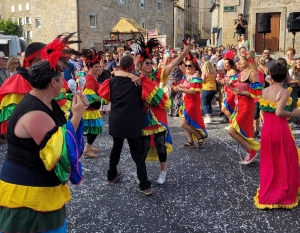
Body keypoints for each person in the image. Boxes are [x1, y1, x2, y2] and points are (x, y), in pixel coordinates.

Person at [0, 34, 88, 232]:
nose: (64, 81)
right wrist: (76, 116)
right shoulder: (35, 112)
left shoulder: (46, 102)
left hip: (39, 188)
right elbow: (58, 152)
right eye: (61, 77)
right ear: (53, 83)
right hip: (28, 195)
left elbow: (60, 132)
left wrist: (77, 114)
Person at [117, 35, 191, 185]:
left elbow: (173, 64)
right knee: (143, 146)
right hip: (143, 116)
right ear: (140, 65)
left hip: (158, 114)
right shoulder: (135, 78)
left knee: (160, 144)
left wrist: (184, 52)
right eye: (146, 63)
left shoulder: (157, 75)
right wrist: (129, 74)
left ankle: (163, 171)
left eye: (151, 62)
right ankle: (142, 172)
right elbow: (116, 73)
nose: (150, 64)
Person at [99, 56, 154, 195]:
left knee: (115, 149)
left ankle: (111, 175)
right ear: (131, 67)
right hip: (133, 122)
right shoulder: (138, 82)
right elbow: (148, 98)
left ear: (121, 67)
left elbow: (105, 98)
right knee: (138, 154)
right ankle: (144, 184)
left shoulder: (111, 82)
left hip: (117, 121)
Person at [254, 62, 300, 210]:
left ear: (272, 76)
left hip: (267, 129)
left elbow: (263, 110)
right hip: (280, 129)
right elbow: (279, 112)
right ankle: (283, 191)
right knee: (285, 158)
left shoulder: (265, 90)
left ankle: (269, 192)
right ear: (286, 76)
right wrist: (294, 113)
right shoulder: (285, 91)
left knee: (269, 159)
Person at [0, 42, 46, 136]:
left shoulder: (37, 78)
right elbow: (11, 119)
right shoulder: (18, 81)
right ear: (38, 57)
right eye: (46, 56)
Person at [228, 52, 262, 164]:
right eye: (239, 60)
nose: (239, 62)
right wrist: (228, 85)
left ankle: (250, 151)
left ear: (248, 61)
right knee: (237, 130)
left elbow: (257, 93)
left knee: (232, 131)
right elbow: (236, 90)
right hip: (239, 105)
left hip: (247, 106)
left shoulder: (253, 73)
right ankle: (250, 150)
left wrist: (242, 92)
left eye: (241, 60)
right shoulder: (240, 73)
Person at [172, 52, 208, 148]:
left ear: (195, 67)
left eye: (190, 66)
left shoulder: (196, 77)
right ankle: (190, 141)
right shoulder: (186, 76)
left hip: (192, 103)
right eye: (186, 65)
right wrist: (177, 86)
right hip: (185, 101)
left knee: (184, 124)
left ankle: (200, 136)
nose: (187, 67)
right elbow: (183, 85)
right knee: (186, 122)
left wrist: (179, 89)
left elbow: (192, 91)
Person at [81, 49, 104, 158]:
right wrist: (102, 98)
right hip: (90, 110)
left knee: (94, 129)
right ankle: (86, 149)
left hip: (92, 110)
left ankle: (89, 147)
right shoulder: (90, 80)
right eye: (95, 67)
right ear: (89, 68)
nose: (98, 68)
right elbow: (88, 97)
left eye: (99, 66)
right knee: (95, 129)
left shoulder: (92, 78)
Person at [288, 58, 300, 128]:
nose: (299, 64)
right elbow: (287, 81)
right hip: (291, 88)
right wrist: (296, 81)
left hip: (297, 88)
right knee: (293, 104)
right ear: (294, 64)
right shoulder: (291, 71)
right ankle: (292, 121)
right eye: (297, 63)